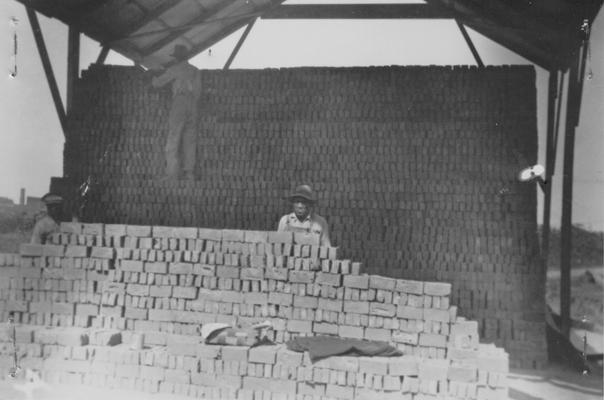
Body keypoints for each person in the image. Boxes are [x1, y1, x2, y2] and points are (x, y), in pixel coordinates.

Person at [151, 44, 201, 180]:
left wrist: (152, 79)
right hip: (193, 105)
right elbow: (198, 93)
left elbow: (158, 83)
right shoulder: (195, 71)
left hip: (180, 103)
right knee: (190, 140)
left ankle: (172, 174)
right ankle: (189, 173)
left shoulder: (175, 69)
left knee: (174, 138)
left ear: (177, 58)